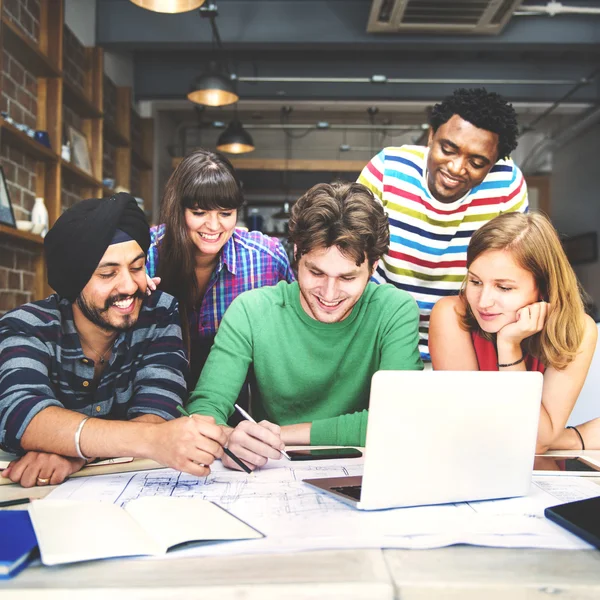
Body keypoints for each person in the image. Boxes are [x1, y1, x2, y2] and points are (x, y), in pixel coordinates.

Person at [186, 182, 423, 471]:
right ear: (297, 253)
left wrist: (277, 436)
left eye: (347, 278)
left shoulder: (394, 310)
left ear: (373, 268)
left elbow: (400, 418)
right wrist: (228, 438)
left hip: (367, 474)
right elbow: (203, 411)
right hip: (271, 475)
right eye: (316, 272)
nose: (329, 293)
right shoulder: (251, 310)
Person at [0, 193, 226, 487]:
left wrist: (74, 453)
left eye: (136, 267)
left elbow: (157, 412)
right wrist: (147, 439)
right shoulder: (25, 326)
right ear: (74, 281)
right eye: (108, 274)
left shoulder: (158, 313)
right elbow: (19, 414)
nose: (130, 285)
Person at [358, 88, 528, 360]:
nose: (457, 168)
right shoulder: (388, 170)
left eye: (476, 162)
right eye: (448, 149)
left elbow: (513, 269)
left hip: (463, 341)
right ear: (431, 136)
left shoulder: (507, 184)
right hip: (382, 334)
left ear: (494, 163)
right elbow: (354, 256)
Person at [428, 212, 599, 452]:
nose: (484, 301)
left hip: (542, 474)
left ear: (543, 288)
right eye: (475, 282)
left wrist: (509, 348)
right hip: (470, 465)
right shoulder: (450, 314)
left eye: (504, 287)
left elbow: (536, 441)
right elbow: (473, 432)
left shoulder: (578, 329)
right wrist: (576, 438)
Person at [146, 149, 294, 387]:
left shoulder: (266, 259)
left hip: (237, 399)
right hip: (152, 392)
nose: (213, 226)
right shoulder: (145, 255)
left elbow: (293, 329)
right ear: (178, 210)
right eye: (199, 212)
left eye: (225, 213)